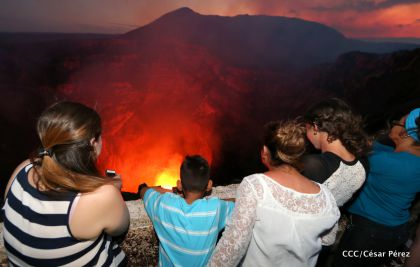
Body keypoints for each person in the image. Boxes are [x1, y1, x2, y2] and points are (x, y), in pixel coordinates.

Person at [1, 101, 130, 266]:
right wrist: (112, 190)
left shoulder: (23, 169)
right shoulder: (99, 196)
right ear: (92, 143)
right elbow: (120, 227)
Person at [208, 120, 340, 267]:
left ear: (265, 151)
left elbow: (234, 246)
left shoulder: (255, 185)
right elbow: (328, 240)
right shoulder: (326, 197)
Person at [333, 108, 420, 267]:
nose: (392, 126)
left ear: (405, 133)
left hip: (369, 232)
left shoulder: (385, 162)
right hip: (396, 230)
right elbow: (377, 148)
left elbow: (351, 153)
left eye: (396, 123)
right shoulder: (408, 160)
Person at [139, 155, 235, 267]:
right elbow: (239, 202)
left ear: (179, 185)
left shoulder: (165, 204)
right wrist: (220, 201)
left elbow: (144, 190)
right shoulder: (216, 208)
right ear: (209, 185)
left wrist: (172, 191)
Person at [302, 98, 370, 246]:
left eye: (305, 128)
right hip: (325, 237)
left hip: (301, 237)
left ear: (315, 127)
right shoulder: (363, 163)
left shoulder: (313, 165)